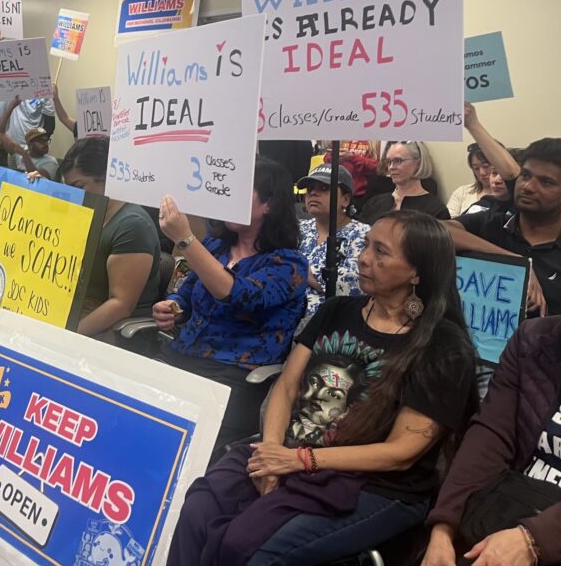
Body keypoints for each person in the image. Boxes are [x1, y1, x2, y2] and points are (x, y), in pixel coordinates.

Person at [169, 211, 478, 566]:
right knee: (198, 509)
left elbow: (401, 452)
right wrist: (271, 454)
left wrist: (297, 460)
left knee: (250, 549)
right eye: (365, 246)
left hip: (371, 484)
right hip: (286, 449)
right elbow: (286, 386)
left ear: (417, 273)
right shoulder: (337, 310)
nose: (363, 258)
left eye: (381, 252)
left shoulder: (442, 344)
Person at [154, 157, 309, 444]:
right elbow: (186, 295)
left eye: (238, 192)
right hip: (182, 356)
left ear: (269, 205)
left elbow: (238, 296)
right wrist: (173, 307)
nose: (227, 199)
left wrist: (186, 239)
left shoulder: (289, 265)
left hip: (234, 377)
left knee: (170, 439)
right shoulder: (214, 246)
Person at [422, 315, 561, 566]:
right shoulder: (534, 340)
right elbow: (490, 436)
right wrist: (444, 526)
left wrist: (534, 540)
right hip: (514, 506)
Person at [444, 137, 561, 317]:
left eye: (545, 182)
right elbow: (435, 230)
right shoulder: (491, 224)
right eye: (525, 176)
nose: (528, 187)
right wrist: (518, 264)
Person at [54, 136, 161, 342]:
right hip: (78, 316)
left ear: (105, 177)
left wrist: (63, 336)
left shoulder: (132, 225)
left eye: (79, 186)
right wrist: (32, 188)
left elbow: (120, 305)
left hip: (108, 332)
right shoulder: (88, 215)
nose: (74, 194)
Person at [297, 164, 370, 330]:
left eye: (324, 188)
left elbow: (353, 286)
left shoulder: (364, 234)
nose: (313, 193)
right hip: (286, 315)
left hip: (332, 323)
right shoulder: (296, 228)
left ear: (345, 199)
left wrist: (300, 272)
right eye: (309, 189)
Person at [359, 141, 449, 224]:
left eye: (398, 161)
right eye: (389, 162)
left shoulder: (435, 210)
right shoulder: (374, 203)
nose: (391, 167)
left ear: (418, 163)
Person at [0, 97, 58, 178]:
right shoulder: (22, 153)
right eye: (40, 141)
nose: (45, 144)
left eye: (46, 140)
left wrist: (24, 155)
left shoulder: (51, 162)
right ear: (30, 144)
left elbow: (35, 179)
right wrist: (12, 106)